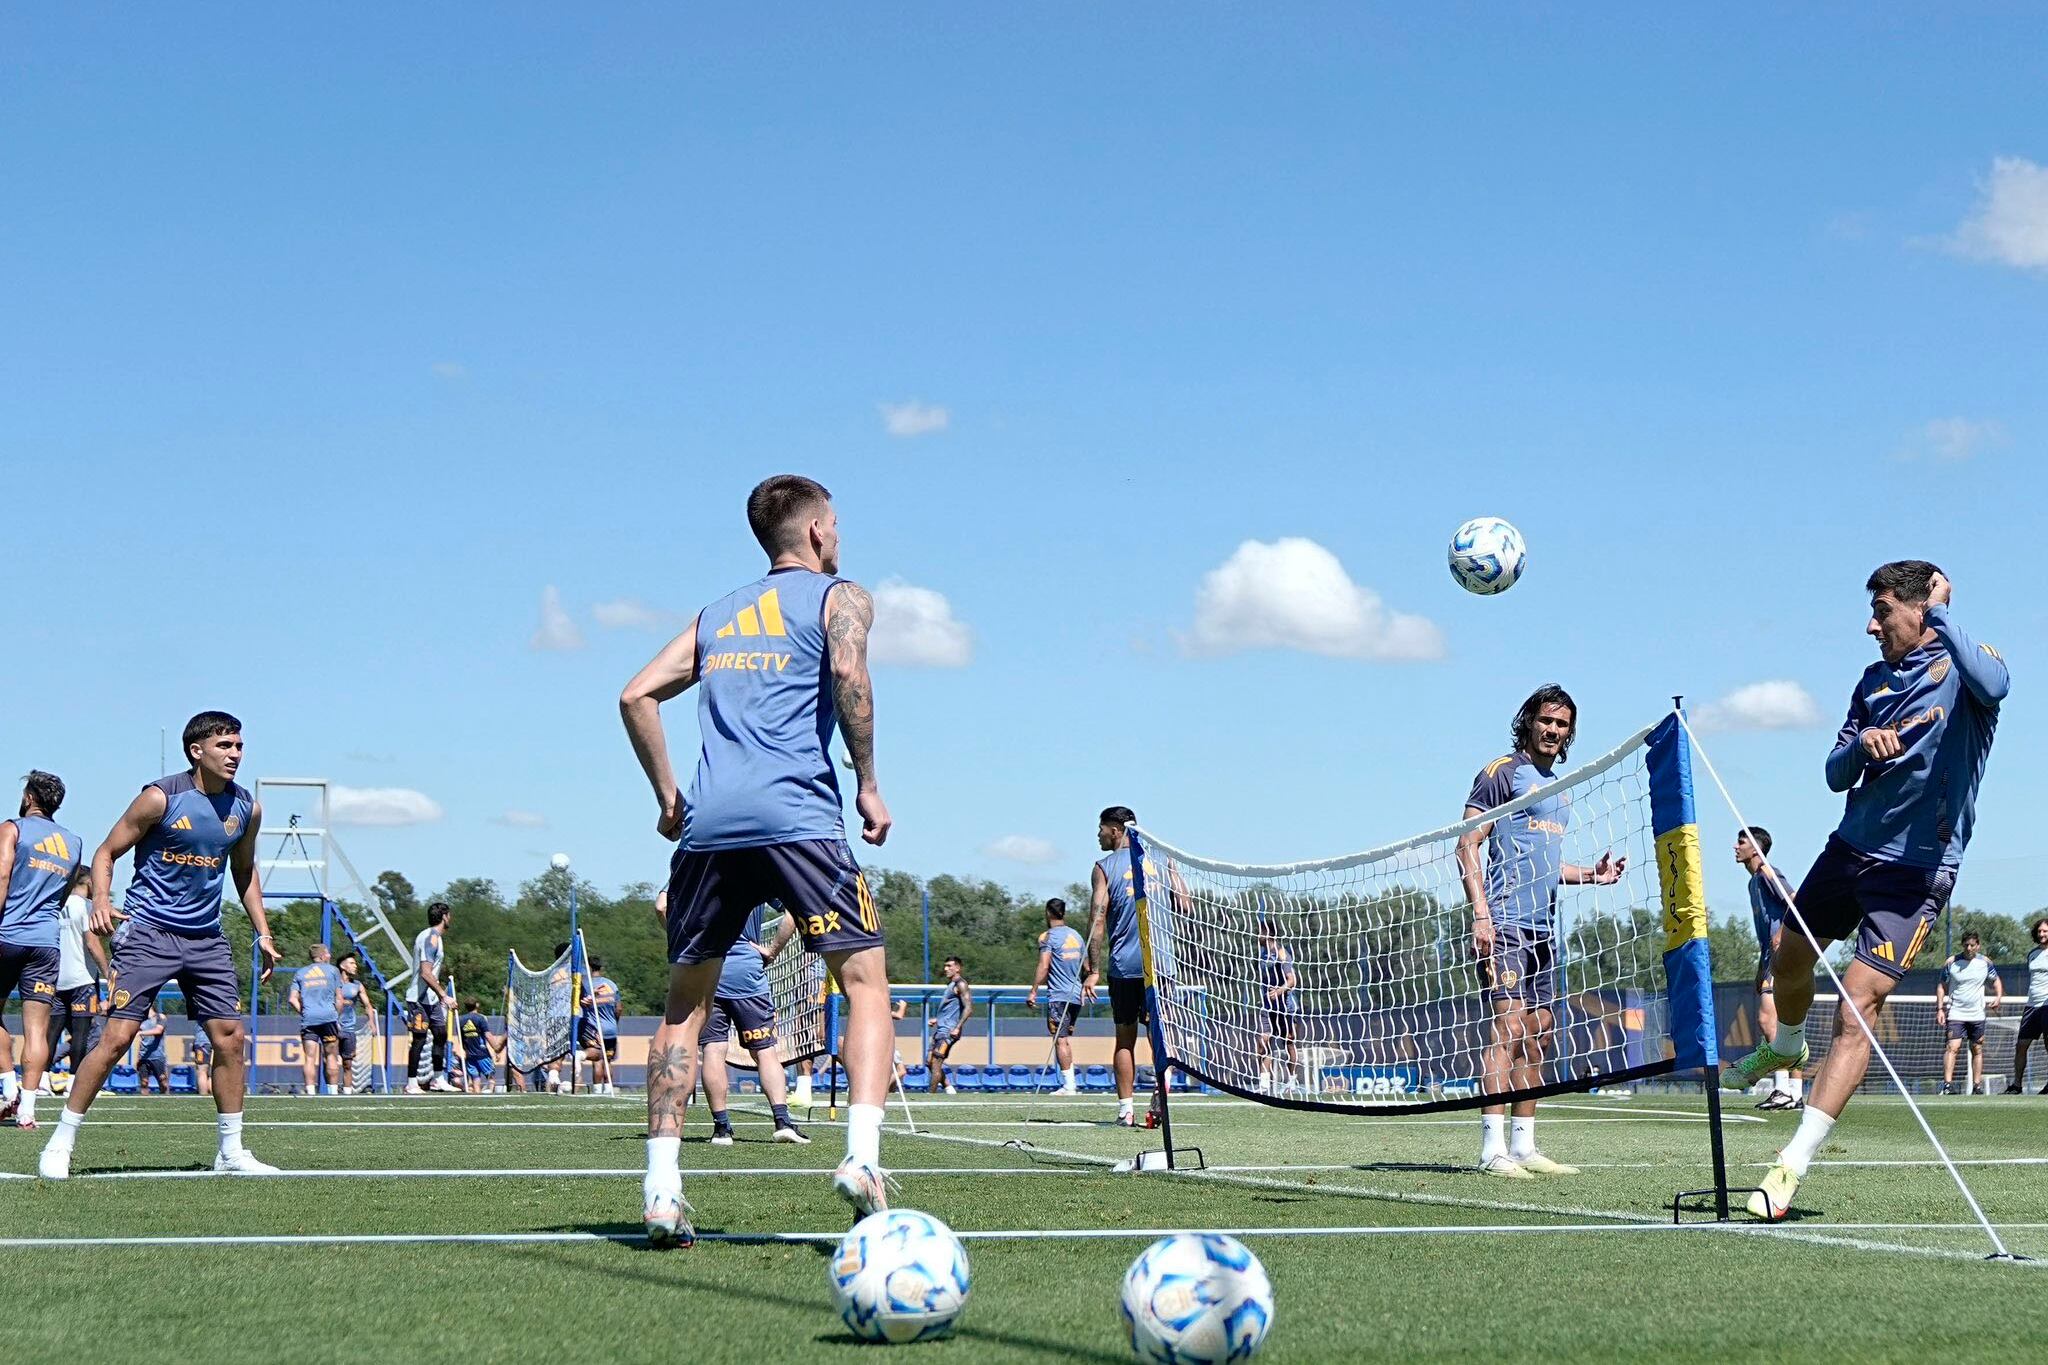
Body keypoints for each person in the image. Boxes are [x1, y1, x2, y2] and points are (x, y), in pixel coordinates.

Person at [621, 473, 894, 1246]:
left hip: (710, 829)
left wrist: (670, 798)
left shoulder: (716, 615)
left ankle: (662, 1190)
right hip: (800, 819)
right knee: (866, 983)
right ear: (816, 533)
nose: (837, 536)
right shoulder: (841, 596)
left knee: (684, 1009)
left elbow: (636, 694)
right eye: (834, 524)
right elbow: (848, 674)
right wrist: (869, 783)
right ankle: (862, 1160)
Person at [1725, 563, 2008, 1220]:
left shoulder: (1966, 668)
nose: (1871, 624)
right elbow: (1832, 769)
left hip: (1916, 873)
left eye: (1883, 611)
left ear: (1922, 607)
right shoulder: (1872, 681)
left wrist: (1939, 611)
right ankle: (1787, 1045)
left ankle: (1790, 1164)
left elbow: (1999, 683)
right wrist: (1863, 751)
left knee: (1857, 1010)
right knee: (1789, 959)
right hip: (1849, 850)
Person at [39, 712, 282, 1178]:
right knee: (116, 1038)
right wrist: (102, 902)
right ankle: (60, 1142)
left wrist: (263, 932)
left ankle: (230, 1152)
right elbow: (106, 852)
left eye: (238, 746)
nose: (235, 754)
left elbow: (245, 872)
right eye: (224, 746)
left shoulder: (246, 809)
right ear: (197, 751)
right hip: (149, 933)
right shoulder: (160, 798)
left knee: (231, 1039)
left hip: (207, 938)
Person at [1456, 685, 1626, 1179]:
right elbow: (1467, 846)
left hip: (1544, 932)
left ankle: (1525, 1147)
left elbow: (1548, 867)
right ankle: (1492, 1152)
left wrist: (1592, 876)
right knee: (1507, 1029)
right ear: (1529, 722)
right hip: (1504, 924)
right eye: (1547, 721)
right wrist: (1481, 915)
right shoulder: (1500, 773)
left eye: (1563, 724)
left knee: (1540, 1034)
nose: (1554, 730)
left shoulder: (1561, 787)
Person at [1089, 805, 1191, 1127]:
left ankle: (1126, 1111)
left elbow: (1097, 919)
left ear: (1116, 830)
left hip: (1125, 966)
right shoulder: (1160, 861)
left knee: (1124, 1038)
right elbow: (1186, 907)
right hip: (1161, 965)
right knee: (1161, 1036)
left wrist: (1092, 969)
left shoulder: (1103, 867)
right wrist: (1171, 867)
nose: (1099, 834)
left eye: (1102, 828)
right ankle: (1161, 1097)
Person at [0, 769, 86, 1128]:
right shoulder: (73, 842)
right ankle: (28, 1110)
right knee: (37, 1029)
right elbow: (64, 892)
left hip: (7, 935)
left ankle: (8, 1088)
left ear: (29, 797)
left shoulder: (12, 828)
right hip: (46, 943)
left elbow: (2, 876)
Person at [697, 904, 809, 1146]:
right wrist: (772, 951)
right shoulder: (756, 868)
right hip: (747, 974)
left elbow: (662, 907)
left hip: (706, 971)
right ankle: (782, 1122)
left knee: (713, 1050)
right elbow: (793, 912)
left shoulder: (695, 867)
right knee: (765, 1051)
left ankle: (721, 1129)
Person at [1735, 827, 1804, 1109]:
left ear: (1755, 848)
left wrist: (1781, 936)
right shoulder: (1753, 882)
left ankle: (1782, 1089)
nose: (1735, 847)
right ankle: (1796, 1094)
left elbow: (1796, 899)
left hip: (1783, 954)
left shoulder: (1766, 872)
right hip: (1770, 958)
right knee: (1788, 1025)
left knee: (1768, 1021)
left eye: (1740, 842)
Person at [45, 864, 111, 1103]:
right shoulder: (86, 907)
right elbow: (93, 944)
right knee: (81, 1035)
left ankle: (42, 1081)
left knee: (51, 1034)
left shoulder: (57, 905)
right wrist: (108, 972)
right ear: (89, 882)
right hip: (82, 980)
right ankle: (75, 1082)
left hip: (56, 979)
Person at [1025, 898, 1089, 1094]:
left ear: (1048, 913)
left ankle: (1069, 1085)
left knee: (1060, 1040)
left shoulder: (1048, 937)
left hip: (1059, 995)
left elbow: (1044, 965)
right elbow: (1087, 966)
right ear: (1064, 913)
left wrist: (1034, 990)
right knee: (1065, 1038)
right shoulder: (1076, 936)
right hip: (1076, 995)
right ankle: (1070, 1083)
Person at [1936, 932, 2002, 1096]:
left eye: (1972, 945)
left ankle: (1977, 1086)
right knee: (1953, 1047)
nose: (1969, 948)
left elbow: (1996, 981)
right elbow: (1942, 986)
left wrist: (1998, 997)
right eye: (1966, 945)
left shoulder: (1985, 963)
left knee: (1977, 1049)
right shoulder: (1951, 962)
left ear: (1978, 945)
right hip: (1956, 1012)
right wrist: (1940, 1008)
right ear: (1962, 945)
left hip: (1977, 1014)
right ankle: (1947, 1085)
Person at [404, 903, 459, 1094]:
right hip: (419, 998)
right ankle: (411, 1083)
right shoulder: (430, 938)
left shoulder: (437, 938)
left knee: (441, 1034)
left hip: (431, 999)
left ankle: (438, 1079)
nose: (450, 918)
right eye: (449, 915)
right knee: (419, 1038)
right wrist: (444, 995)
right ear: (444, 916)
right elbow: (426, 974)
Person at [288, 943, 344, 1096]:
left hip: (309, 1020)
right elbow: (339, 999)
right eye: (327, 953)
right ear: (321, 956)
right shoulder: (333, 971)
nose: (330, 956)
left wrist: (305, 1012)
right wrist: (336, 1017)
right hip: (329, 1019)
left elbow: (292, 999)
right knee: (331, 1056)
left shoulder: (300, 973)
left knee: (309, 1058)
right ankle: (333, 1093)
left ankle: (310, 1093)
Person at [1255, 920, 1302, 1095]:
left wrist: (1279, 991)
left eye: (1261, 932)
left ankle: (1292, 1081)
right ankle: (1264, 1085)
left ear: (1269, 934)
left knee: (1288, 1042)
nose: (1258, 935)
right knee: (1263, 1042)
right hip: (1268, 1007)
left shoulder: (1281, 954)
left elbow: (1292, 980)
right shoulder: (1262, 954)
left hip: (1286, 1007)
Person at [2007, 918, 2048, 1094]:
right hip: (2032, 1005)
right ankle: (2017, 1085)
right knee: (2021, 1045)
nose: (2042, 934)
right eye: (2039, 931)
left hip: (2047, 1004)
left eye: (2045, 931)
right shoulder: (2032, 954)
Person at [926, 957, 972, 1094]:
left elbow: (968, 1008)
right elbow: (950, 1010)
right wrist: (938, 1019)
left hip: (948, 1031)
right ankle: (949, 1087)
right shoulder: (950, 985)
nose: (945, 969)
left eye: (949, 966)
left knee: (936, 1063)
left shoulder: (961, 984)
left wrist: (957, 1027)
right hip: (941, 1029)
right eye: (945, 966)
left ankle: (931, 1095)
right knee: (929, 1061)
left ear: (957, 968)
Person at [582, 954, 620, 1095]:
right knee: (608, 1060)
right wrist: (614, 1022)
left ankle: (597, 1090)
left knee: (597, 1061)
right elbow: (619, 1008)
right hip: (611, 1029)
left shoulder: (586, 984)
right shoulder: (612, 984)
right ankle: (608, 1089)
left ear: (588, 967)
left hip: (595, 1028)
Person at [336, 951, 372, 1096]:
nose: (355, 966)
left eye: (355, 963)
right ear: (342, 966)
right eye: (351, 963)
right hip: (333, 1027)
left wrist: (371, 1022)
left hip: (349, 1029)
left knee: (348, 1063)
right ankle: (329, 1091)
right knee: (330, 1061)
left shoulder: (357, 986)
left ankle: (347, 1093)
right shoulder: (333, 983)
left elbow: (368, 1005)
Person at [457, 999, 500, 1092]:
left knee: (475, 1077)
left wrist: (464, 1050)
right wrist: (496, 1048)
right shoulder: (480, 1018)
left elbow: (461, 1038)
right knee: (490, 1075)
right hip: (482, 1053)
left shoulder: (460, 1020)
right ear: (477, 1005)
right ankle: (492, 1095)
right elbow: (487, 1035)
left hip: (470, 1054)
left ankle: (477, 1094)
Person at [135, 1006, 170, 1094]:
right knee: (144, 1082)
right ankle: (144, 1104)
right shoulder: (141, 1020)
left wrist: (140, 1032)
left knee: (163, 1083)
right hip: (144, 1056)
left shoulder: (160, 1017)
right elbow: (141, 1041)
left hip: (158, 1056)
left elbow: (158, 1030)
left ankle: (166, 1100)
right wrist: (137, 1058)